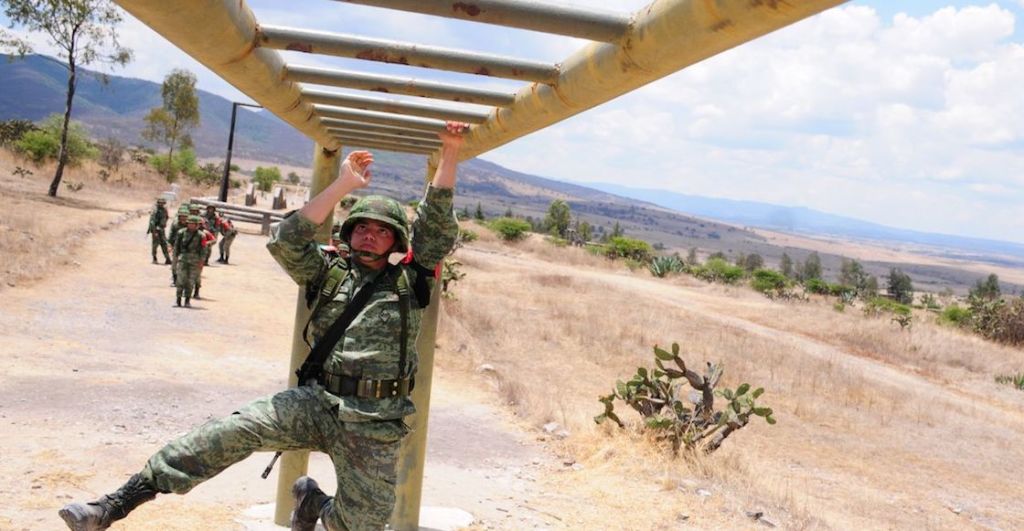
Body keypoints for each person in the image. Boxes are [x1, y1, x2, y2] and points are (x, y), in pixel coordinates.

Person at [58, 121, 467, 531]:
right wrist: (343, 185)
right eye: (362, 227)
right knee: (230, 430)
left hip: (377, 418)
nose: (369, 236)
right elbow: (286, 239)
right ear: (349, 233)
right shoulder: (328, 271)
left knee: (362, 524)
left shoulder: (410, 281)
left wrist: (449, 152)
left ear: (397, 241)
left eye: (382, 231)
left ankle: (312, 504)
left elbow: (435, 228)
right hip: (317, 403)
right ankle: (113, 504)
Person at [171, 215, 207, 308]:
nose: (191, 226)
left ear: (197, 225)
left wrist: (201, 262)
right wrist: (175, 258)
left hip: (194, 261)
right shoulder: (181, 233)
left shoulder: (201, 235)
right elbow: (176, 246)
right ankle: (178, 300)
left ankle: (187, 300)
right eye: (189, 224)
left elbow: (204, 250)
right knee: (180, 280)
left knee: (190, 281)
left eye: (193, 224)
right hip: (182, 259)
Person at [166, 206, 189, 286]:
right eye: (182, 216)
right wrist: (169, 245)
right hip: (176, 246)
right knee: (174, 264)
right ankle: (175, 279)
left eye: (185, 217)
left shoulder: (191, 225)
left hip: (187, 247)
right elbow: (171, 235)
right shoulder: (175, 224)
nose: (183, 218)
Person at [146, 197, 172, 264]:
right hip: (156, 230)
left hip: (161, 230)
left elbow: (166, 218)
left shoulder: (164, 210)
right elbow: (152, 222)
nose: (161, 204)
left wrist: (163, 224)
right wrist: (154, 231)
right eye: (160, 203)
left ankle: (167, 259)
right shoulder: (155, 210)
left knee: (164, 244)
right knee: (155, 245)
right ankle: (154, 258)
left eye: (162, 203)